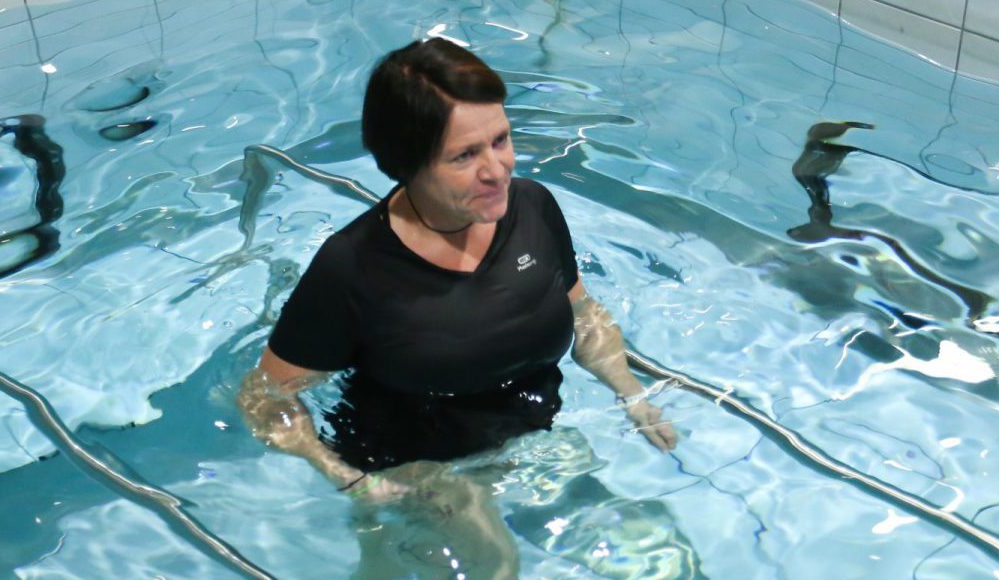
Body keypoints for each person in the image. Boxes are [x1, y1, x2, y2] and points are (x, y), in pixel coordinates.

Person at [232, 38, 681, 577]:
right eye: (465, 156)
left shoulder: (533, 209)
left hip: (530, 432)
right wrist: (347, 478)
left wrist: (632, 395)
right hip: (413, 468)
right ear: (407, 165)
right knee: (497, 566)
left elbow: (583, 312)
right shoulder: (353, 270)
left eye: (501, 140)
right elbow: (264, 397)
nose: (497, 170)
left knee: (659, 555)